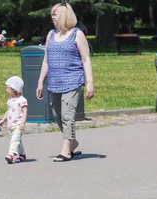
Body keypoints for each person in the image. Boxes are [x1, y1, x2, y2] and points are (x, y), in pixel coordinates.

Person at [36, 2, 94, 162]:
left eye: (55, 14)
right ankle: (72, 142)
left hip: (73, 81)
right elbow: (46, 61)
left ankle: (66, 150)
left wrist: (90, 83)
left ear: (64, 15)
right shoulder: (50, 35)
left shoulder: (77, 34)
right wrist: (41, 81)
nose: (52, 17)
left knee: (67, 116)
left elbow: (86, 60)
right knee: (57, 115)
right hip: (54, 82)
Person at [0, 77, 28, 164]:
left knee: (14, 140)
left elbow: (25, 112)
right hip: (11, 125)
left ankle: (10, 154)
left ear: (14, 88)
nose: (6, 90)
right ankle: (22, 155)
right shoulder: (10, 100)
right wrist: (3, 119)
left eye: (8, 88)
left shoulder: (22, 100)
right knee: (18, 141)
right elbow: (9, 111)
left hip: (18, 125)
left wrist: (22, 123)